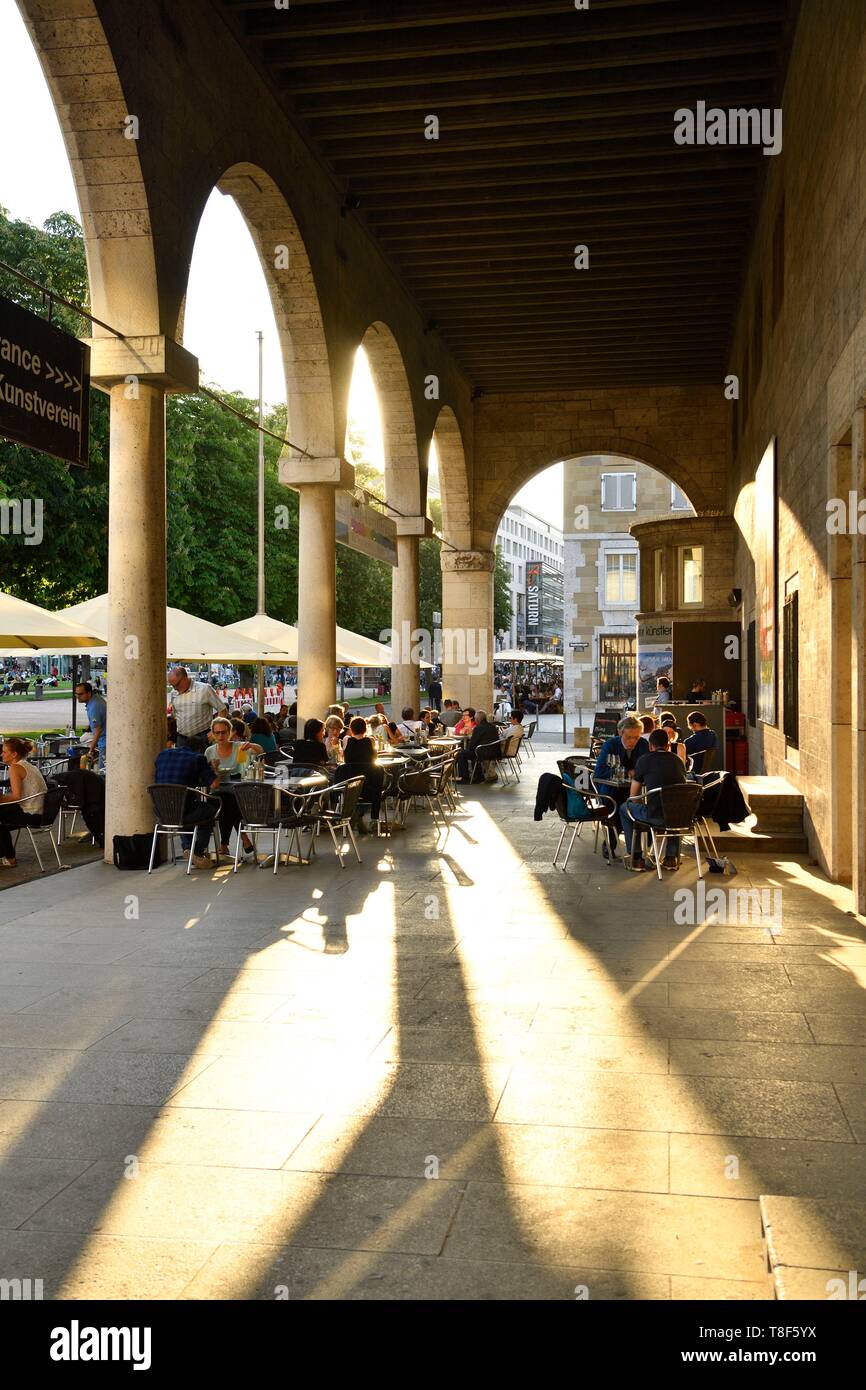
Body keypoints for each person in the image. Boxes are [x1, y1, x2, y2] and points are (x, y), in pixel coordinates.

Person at [620, 726, 689, 872]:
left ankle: (636, 857)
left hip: (655, 816)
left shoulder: (644, 760)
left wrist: (641, 811)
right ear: (668, 745)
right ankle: (671, 858)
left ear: (650, 746)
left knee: (624, 808)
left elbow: (634, 796)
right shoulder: (678, 761)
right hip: (680, 817)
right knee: (674, 809)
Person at [154, 729, 220, 869]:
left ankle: (187, 848)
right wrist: (213, 769)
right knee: (208, 810)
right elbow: (214, 784)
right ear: (200, 749)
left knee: (188, 806)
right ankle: (197, 851)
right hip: (184, 811)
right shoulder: (198, 758)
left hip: (161, 812)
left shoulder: (162, 754)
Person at [593, 715, 650, 861]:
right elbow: (599, 773)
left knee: (643, 808)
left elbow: (647, 769)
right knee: (618, 807)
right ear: (620, 733)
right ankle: (612, 844)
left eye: (636, 737)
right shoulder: (610, 745)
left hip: (636, 792)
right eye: (629, 737)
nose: (633, 741)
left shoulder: (643, 744)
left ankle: (637, 847)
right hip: (611, 791)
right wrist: (625, 772)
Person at [204, 716, 258, 859]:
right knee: (226, 801)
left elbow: (260, 751)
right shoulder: (209, 752)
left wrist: (252, 746)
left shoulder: (238, 747)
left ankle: (224, 845)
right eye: (217, 733)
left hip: (238, 792)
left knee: (228, 802)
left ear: (229, 732)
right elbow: (206, 777)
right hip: (216, 793)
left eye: (223, 732)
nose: (221, 736)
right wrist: (214, 770)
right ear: (213, 734)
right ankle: (243, 837)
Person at [0, 738, 48, 868]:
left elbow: (16, 797)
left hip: (33, 815)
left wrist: (1, 798)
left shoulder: (15, 767)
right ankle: (7, 856)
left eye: (4, 752)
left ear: (14, 754)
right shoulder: (28, 765)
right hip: (44, 814)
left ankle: (10, 858)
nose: (1, 754)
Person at [340, 715, 385, 829]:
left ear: (351, 729)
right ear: (365, 729)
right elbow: (375, 758)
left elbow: (343, 756)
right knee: (379, 775)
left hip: (350, 784)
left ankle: (352, 814)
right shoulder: (370, 741)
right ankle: (374, 818)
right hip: (370, 784)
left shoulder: (346, 740)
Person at [168, 667, 226, 747]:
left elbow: (222, 710)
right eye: (172, 685)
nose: (175, 688)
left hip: (202, 737)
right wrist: (172, 738)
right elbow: (175, 716)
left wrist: (213, 733)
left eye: (176, 685)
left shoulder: (204, 689)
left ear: (185, 678)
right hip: (181, 739)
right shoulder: (174, 693)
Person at [457, 710, 500, 783]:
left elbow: (472, 745)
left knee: (461, 754)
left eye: (476, 719)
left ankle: (464, 778)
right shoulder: (493, 727)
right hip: (494, 752)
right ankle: (478, 776)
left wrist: (468, 748)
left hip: (483, 753)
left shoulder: (478, 728)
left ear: (478, 719)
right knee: (474, 752)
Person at [75, 679, 107, 767]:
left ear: (89, 693)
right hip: (104, 740)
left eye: (80, 694)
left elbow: (98, 731)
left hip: (105, 742)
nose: (78, 696)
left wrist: (91, 751)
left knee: (102, 772)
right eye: (76, 694)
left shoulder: (94, 706)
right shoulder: (95, 700)